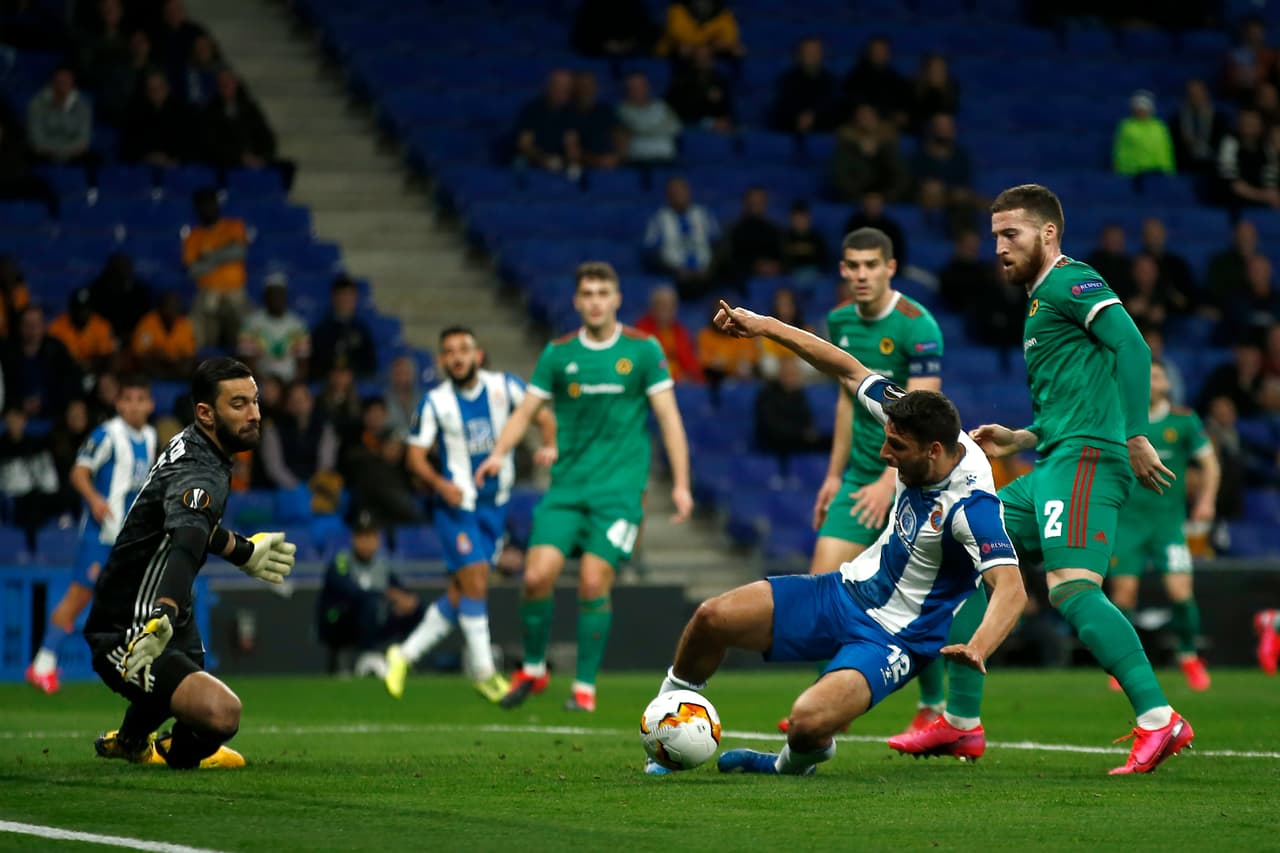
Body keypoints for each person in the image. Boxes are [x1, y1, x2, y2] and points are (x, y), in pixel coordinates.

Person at [648, 299, 1025, 776]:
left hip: (895, 639)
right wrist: (764, 326)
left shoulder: (972, 509)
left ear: (934, 452)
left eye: (896, 447)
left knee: (805, 722)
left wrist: (978, 648)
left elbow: (1011, 587)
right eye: (887, 438)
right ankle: (665, 719)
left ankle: (788, 764)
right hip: (844, 591)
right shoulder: (915, 422)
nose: (884, 453)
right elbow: (846, 369)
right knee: (711, 617)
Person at [899, 183, 1194, 775]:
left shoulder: (1071, 280)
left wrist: (1138, 433)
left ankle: (1159, 720)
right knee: (961, 546)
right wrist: (1020, 437)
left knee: (1070, 588)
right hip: (1053, 458)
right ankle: (960, 724)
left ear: (1048, 234)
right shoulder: (1039, 303)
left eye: (1012, 235)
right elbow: (1076, 398)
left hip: (1087, 461)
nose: (1001, 248)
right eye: (996, 238)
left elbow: (1133, 348)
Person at [476, 262, 693, 712]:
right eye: (587, 293)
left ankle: (584, 690)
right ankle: (534, 670)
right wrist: (499, 453)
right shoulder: (558, 354)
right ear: (577, 301)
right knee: (535, 577)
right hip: (567, 490)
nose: (595, 300)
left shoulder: (643, 350)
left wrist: (681, 484)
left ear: (616, 299)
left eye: (603, 292)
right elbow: (524, 411)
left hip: (618, 493)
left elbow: (669, 417)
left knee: (594, 581)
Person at [785, 228, 964, 738]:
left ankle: (932, 707)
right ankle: (829, 701)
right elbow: (847, 402)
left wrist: (892, 481)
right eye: (852, 265)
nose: (861, 274)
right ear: (842, 270)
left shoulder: (917, 325)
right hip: (859, 476)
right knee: (821, 588)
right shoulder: (839, 322)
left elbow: (925, 417)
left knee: (913, 599)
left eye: (870, 265)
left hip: (911, 482)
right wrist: (833, 476)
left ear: (890, 268)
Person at [84, 357, 297, 769]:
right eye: (239, 404)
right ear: (206, 412)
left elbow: (190, 527)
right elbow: (185, 544)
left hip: (162, 612)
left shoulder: (197, 446)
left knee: (189, 667)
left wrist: (243, 551)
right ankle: (175, 755)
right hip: (129, 627)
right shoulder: (200, 471)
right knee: (221, 714)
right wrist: (164, 612)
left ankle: (131, 741)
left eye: (255, 401)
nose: (254, 414)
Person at [386, 326, 555, 702]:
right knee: (477, 579)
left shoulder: (505, 387)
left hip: (495, 507)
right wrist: (439, 483)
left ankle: (403, 654)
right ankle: (484, 672)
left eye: (464, 349)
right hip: (455, 505)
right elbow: (413, 456)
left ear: (478, 354)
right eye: (450, 351)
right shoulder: (435, 403)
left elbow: (542, 414)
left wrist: (550, 444)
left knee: (462, 592)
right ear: (442, 361)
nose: (458, 356)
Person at [26, 378, 156, 695]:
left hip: (128, 536)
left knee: (132, 603)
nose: (135, 405)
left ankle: (131, 667)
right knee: (79, 596)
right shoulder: (107, 435)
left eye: (141, 399)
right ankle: (42, 664)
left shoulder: (151, 436)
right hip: (100, 535)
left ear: (150, 404)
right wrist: (95, 499)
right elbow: (78, 472)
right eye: (129, 399)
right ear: (119, 404)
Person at [1106, 360, 1219, 692]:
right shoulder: (1121, 418)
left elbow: (1210, 465)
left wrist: (1206, 500)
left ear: (1166, 384)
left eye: (1156, 376)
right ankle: (1123, 665)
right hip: (1128, 522)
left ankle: (1188, 655)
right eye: (1145, 375)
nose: (1150, 381)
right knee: (1123, 596)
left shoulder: (1184, 421)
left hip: (1168, 524)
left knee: (1181, 593)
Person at [317, 510, 422, 677]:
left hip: (374, 619)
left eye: (371, 537)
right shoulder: (342, 561)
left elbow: (400, 590)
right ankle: (368, 656)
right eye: (362, 537)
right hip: (340, 623)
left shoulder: (382, 564)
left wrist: (406, 600)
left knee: (415, 607)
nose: (366, 542)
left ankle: (406, 657)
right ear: (353, 539)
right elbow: (350, 590)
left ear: (378, 540)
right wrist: (387, 595)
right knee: (369, 601)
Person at [183, 188, 249, 350]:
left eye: (210, 204)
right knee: (198, 331)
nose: (207, 209)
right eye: (202, 205)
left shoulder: (233, 226)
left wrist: (207, 257)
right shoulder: (193, 236)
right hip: (207, 293)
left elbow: (239, 251)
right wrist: (224, 254)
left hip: (235, 293)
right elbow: (193, 270)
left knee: (246, 331)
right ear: (197, 209)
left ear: (217, 205)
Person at [643, 176, 720, 302]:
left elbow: (718, 244)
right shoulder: (659, 218)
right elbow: (650, 252)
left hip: (706, 276)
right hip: (675, 277)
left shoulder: (703, 214)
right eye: (674, 192)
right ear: (668, 196)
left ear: (689, 192)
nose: (679, 195)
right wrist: (674, 270)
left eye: (681, 191)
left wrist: (711, 268)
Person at [1, 305, 82, 419]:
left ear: (44, 326)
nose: (33, 329)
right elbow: (4, 388)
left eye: (37, 324)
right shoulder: (6, 353)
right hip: (16, 412)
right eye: (28, 324)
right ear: (19, 327)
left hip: (55, 410)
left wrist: (71, 402)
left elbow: (71, 381)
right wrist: (18, 405)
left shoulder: (56, 349)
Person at [257, 381, 339, 491]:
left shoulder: (324, 427)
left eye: (302, 400)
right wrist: (295, 486)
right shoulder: (273, 430)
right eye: (294, 401)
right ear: (287, 405)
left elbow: (326, 461)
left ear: (310, 402)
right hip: (285, 487)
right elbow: (274, 466)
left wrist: (316, 482)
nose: (298, 404)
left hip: (318, 485)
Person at [237, 272, 310, 383]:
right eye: (272, 294)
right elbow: (246, 361)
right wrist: (261, 383)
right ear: (265, 296)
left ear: (286, 296)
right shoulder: (251, 324)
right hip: (261, 381)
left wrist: (293, 385)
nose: (276, 298)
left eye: (280, 294)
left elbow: (303, 362)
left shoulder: (297, 325)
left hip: (289, 381)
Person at [832, 104, 906, 203]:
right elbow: (842, 134)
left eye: (868, 116)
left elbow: (892, 136)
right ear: (856, 119)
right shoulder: (847, 135)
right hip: (857, 190)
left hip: (885, 190)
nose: (865, 119)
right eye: (861, 116)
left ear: (875, 117)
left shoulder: (887, 133)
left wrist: (874, 142)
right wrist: (861, 143)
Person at [754, 357, 827, 456]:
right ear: (781, 375)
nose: (792, 379)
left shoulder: (799, 395)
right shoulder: (767, 394)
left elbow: (806, 421)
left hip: (797, 442)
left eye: (795, 375)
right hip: (774, 443)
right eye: (789, 375)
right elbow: (770, 426)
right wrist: (800, 433)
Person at [26, 65, 94, 169]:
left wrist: (65, 152)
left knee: (93, 161)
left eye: (67, 81)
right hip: (44, 154)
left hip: (74, 155)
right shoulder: (37, 104)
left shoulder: (83, 106)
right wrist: (60, 152)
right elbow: (37, 141)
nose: (63, 84)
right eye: (60, 81)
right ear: (53, 82)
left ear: (73, 83)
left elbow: (83, 141)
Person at [310, 274, 377, 379]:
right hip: (327, 386)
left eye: (350, 295)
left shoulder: (362, 330)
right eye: (342, 295)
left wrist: (351, 376)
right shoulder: (321, 331)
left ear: (356, 298)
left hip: (356, 386)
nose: (346, 300)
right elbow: (314, 365)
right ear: (334, 297)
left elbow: (371, 365)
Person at [119, 68, 190, 166]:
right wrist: (148, 157)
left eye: (159, 87)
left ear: (167, 88)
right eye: (151, 89)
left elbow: (187, 144)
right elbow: (129, 146)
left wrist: (172, 159)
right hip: (144, 166)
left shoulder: (181, 114)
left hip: (174, 168)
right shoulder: (137, 115)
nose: (156, 92)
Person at [634, 284, 704, 383]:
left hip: (681, 385)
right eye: (662, 304)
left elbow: (692, 365)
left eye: (671, 305)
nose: (667, 309)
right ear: (653, 307)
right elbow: (642, 363)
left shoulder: (681, 332)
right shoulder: (640, 330)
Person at [770, 37, 839, 134]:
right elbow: (784, 104)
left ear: (822, 55)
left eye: (815, 52)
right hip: (790, 126)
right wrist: (799, 117)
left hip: (823, 126)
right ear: (799, 54)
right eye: (808, 52)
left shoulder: (830, 80)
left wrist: (813, 116)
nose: (811, 55)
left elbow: (831, 104)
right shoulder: (786, 80)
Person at [514, 69, 577, 174]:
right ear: (549, 87)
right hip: (532, 161)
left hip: (558, 162)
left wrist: (571, 161)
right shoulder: (532, 110)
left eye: (566, 87)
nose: (562, 91)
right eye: (558, 87)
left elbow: (571, 144)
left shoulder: (570, 112)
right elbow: (524, 145)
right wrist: (544, 159)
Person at [1216, 108, 1279, 211]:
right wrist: (1262, 195)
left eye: (1253, 122)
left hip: (1260, 202)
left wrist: (1272, 195)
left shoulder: (1265, 147)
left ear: (1260, 126)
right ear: (1239, 123)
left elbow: (1270, 180)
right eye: (1246, 121)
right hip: (1230, 202)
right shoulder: (1229, 142)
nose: (1249, 125)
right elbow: (1231, 182)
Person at [840, 36, 909, 129]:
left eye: (882, 50)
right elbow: (850, 101)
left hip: (886, 123)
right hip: (859, 123)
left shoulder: (896, 79)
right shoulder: (855, 76)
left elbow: (900, 105)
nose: (879, 53)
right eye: (876, 49)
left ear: (888, 53)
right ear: (869, 52)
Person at [47, 287, 118, 375]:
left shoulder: (102, 326)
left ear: (91, 309)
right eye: (78, 309)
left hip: (95, 373)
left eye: (85, 308)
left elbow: (107, 356)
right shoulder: (56, 327)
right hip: (65, 373)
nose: (82, 313)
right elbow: (52, 357)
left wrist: (90, 364)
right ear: (71, 309)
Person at [665, 44, 735, 131]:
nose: (704, 60)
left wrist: (723, 119)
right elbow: (677, 107)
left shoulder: (720, 81)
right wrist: (710, 122)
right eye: (700, 57)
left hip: (715, 124)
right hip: (688, 122)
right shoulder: (683, 80)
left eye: (707, 57)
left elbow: (726, 107)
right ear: (694, 59)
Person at [617, 72, 681, 165]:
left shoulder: (661, 106)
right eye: (633, 87)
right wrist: (660, 127)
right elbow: (635, 128)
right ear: (627, 89)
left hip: (666, 159)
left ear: (647, 87)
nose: (637, 90)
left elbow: (675, 128)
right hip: (638, 160)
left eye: (640, 86)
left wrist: (643, 131)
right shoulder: (621, 110)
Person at [89, 252, 153, 346]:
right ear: (110, 270)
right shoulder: (96, 291)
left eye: (125, 268)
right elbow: (92, 321)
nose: (122, 273)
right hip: (103, 339)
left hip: (134, 338)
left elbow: (147, 321)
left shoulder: (140, 292)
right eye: (118, 269)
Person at [723, 186, 784, 284]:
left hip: (774, 279)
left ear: (765, 204)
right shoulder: (734, 230)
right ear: (745, 203)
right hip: (742, 281)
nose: (756, 205)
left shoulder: (775, 230)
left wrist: (776, 266)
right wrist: (755, 267)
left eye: (759, 202)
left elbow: (784, 257)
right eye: (753, 202)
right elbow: (727, 260)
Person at [131, 290, 196, 379]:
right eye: (168, 307)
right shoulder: (147, 322)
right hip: (154, 363)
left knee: (191, 366)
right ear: (160, 308)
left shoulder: (184, 324)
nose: (171, 311)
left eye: (175, 307)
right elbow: (138, 353)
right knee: (144, 363)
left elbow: (189, 354)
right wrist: (155, 353)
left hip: (176, 365)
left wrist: (175, 359)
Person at [1112, 89, 1176, 177]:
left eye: (1145, 109)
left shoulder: (1160, 127)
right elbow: (1120, 150)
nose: (1142, 112)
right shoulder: (1126, 127)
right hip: (1132, 172)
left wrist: (1168, 170)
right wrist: (1120, 169)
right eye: (1139, 109)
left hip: (1157, 172)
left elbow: (1166, 150)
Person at [569, 71, 621, 171]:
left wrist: (617, 157)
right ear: (575, 89)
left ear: (595, 88)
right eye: (582, 86)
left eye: (589, 85)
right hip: (583, 166)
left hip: (611, 163)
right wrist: (598, 161)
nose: (586, 89)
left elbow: (620, 136)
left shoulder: (605, 111)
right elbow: (572, 149)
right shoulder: (569, 113)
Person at [1174, 79, 1228, 174]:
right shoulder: (1177, 119)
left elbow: (1222, 144)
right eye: (1192, 94)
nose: (1195, 96)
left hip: (1212, 164)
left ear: (1206, 94)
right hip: (1186, 163)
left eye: (1198, 93)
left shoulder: (1219, 118)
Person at [656, 0, 744, 58]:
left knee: (738, 51)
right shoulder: (678, 9)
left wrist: (707, 48)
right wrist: (706, 46)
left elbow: (729, 38)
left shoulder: (722, 13)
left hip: (709, 54)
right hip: (670, 55)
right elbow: (680, 37)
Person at [781, 200, 830, 280]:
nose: (800, 222)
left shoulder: (817, 238)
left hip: (815, 275)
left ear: (808, 218)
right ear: (791, 219)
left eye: (802, 218)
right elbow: (783, 261)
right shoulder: (785, 237)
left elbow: (824, 261)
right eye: (797, 219)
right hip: (792, 275)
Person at [1255, 608, 1280, 674]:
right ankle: (1271, 670)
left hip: (1271, 636)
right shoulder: (1265, 619)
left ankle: (1271, 670)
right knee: (1265, 653)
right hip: (1271, 636)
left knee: (1265, 653)